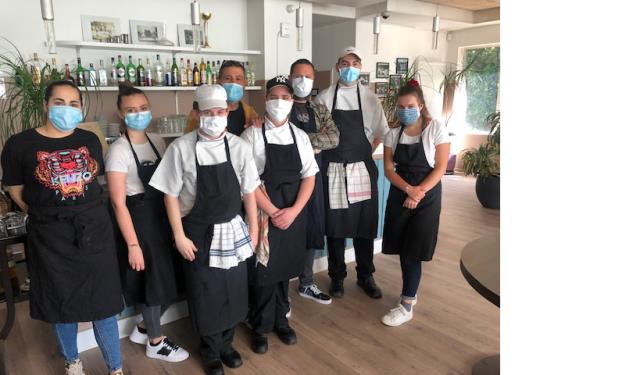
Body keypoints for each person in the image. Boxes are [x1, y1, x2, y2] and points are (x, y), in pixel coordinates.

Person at [0, 80, 124, 375]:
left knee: (104, 304)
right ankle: (73, 362)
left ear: (80, 108)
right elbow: (15, 188)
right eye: (59, 102)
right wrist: (42, 212)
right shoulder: (19, 144)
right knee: (61, 304)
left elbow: (96, 181)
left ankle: (115, 368)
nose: (66, 109)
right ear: (46, 104)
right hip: (50, 235)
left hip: (94, 231)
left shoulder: (90, 139)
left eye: (73, 104)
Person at [149, 84, 259, 375]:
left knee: (234, 290)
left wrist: (254, 230)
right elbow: (169, 195)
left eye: (220, 112)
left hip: (233, 230)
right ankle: (210, 349)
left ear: (228, 112)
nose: (215, 117)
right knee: (205, 293)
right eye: (208, 112)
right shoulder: (181, 148)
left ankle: (226, 344)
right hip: (197, 233)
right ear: (196, 113)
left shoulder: (239, 147)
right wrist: (179, 236)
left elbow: (249, 192)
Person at [105, 84, 189, 361]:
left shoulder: (157, 140)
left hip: (161, 216)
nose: (138, 114)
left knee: (169, 278)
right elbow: (118, 203)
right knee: (152, 282)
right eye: (131, 110)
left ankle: (143, 327)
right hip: (138, 220)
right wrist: (133, 244)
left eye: (142, 108)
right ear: (121, 113)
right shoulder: (118, 150)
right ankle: (156, 341)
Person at [241, 76, 317, 354]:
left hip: (293, 211)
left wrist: (294, 211)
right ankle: (260, 326)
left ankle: (281, 321)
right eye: (274, 96)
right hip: (265, 209)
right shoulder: (251, 135)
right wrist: (273, 211)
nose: (280, 102)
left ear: (292, 100)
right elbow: (247, 180)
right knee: (264, 270)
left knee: (285, 268)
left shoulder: (300, 136)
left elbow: (309, 177)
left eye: (286, 97)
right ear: (265, 100)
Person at [315, 47, 389, 299]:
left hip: (361, 169)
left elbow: (380, 131)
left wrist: (366, 151)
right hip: (334, 170)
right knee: (336, 228)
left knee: (364, 227)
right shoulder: (324, 97)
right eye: (345, 63)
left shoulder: (370, 99)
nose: (350, 67)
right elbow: (318, 135)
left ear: (360, 67)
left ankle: (365, 275)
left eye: (355, 63)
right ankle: (337, 277)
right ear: (337, 67)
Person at [380, 81, 450, 326]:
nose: (405, 110)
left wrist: (418, 193)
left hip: (427, 196)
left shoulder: (435, 130)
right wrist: (408, 190)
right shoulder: (392, 134)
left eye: (410, 106)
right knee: (402, 247)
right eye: (401, 106)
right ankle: (410, 292)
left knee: (414, 251)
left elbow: (440, 167)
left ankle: (407, 304)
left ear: (420, 106)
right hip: (401, 193)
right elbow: (389, 169)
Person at [289, 58, 339, 304]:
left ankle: (306, 283)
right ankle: (280, 290)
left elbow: (333, 137)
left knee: (311, 228)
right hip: (286, 181)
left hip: (314, 179)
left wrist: (301, 141)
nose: (303, 81)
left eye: (308, 77)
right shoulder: (279, 105)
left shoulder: (318, 109)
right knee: (285, 230)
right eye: (298, 76)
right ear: (290, 78)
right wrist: (313, 142)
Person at [184, 60, 258, 136]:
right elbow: (189, 140)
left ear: (244, 83)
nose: (233, 83)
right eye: (227, 78)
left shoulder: (250, 113)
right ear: (219, 82)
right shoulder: (202, 112)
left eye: (238, 79)